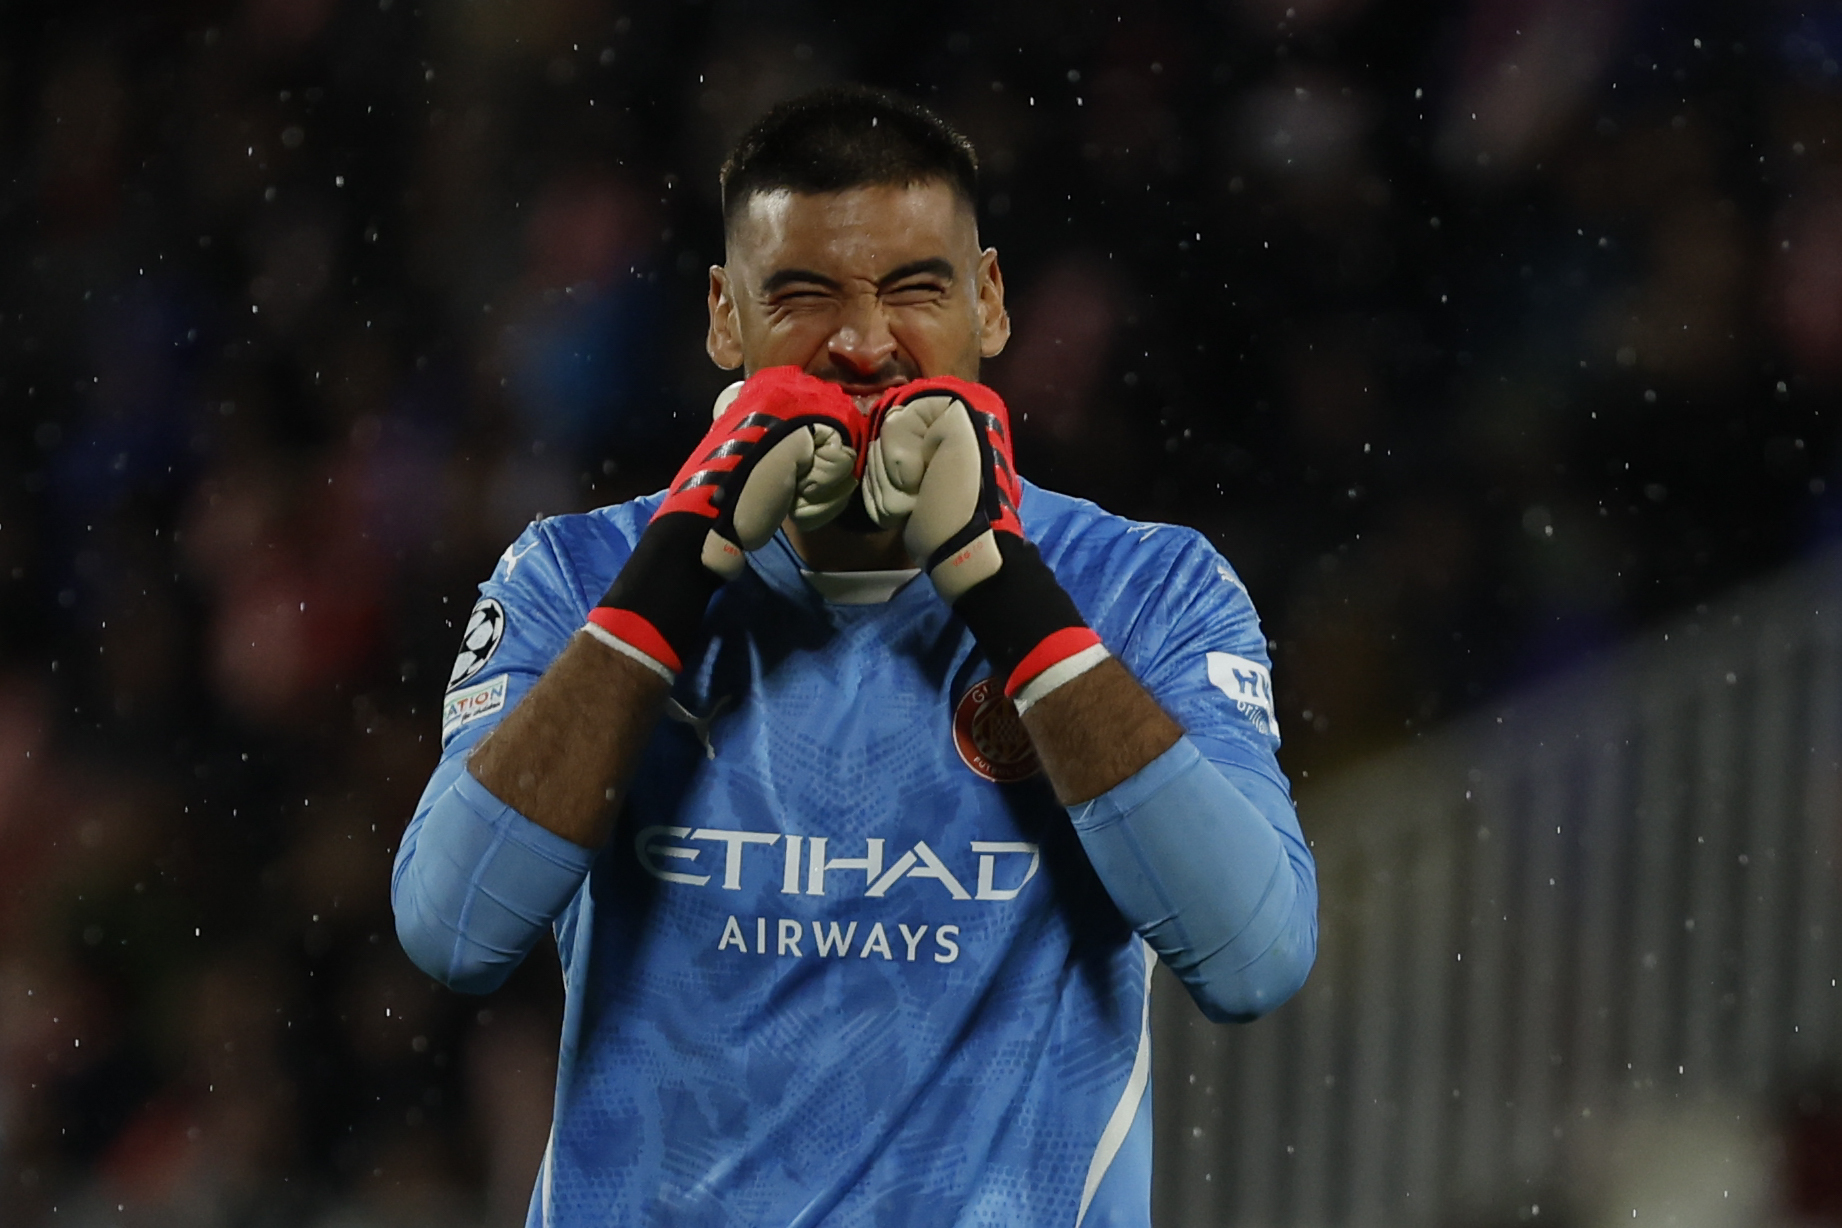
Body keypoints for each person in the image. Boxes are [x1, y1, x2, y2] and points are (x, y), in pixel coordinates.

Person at [392, 86, 1316, 1228]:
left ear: (989, 299)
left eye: (917, 288)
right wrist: (683, 563)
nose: (865, 343)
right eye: (804, 295)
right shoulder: (574, 576)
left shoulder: (1149, 588)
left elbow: (1253, 953)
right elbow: (453, 928)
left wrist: (998, 582)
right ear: (726, 319)